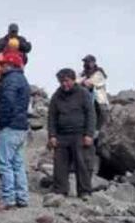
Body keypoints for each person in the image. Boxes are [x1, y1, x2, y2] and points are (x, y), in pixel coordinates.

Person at [47, 68, 95, 199]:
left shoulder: (83, 93)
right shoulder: (56, 96)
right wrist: (52, 135)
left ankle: (84, 191)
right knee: (60, 165)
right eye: (61, 81)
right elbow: (51, 116)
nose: (64, 84)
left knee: (83, 164)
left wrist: (89, 134)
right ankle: (60, 191)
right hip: (62, 135)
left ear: (73, 80)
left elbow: (91, 114)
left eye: (66, 81)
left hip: (80, 134)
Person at [0, 50, 31, 209]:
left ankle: (8, 199)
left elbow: (7, 102)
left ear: (9, 65)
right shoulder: (22, 79)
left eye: (2, 64)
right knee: (18, 164)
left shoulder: (9, 80)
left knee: (4, 163)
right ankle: (22, 198)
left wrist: (0, 122)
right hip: (21, 127)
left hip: (9, 127)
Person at [80, 54, 109, 128]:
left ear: (93, 62)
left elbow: (90, 83)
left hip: (99, 100)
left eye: (88, 62)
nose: (86, 63)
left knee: (102, 117)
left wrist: (84, 82)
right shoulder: (83, 73)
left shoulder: (99, 73)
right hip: (86, 99)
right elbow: (77, 81)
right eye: (85, 62)